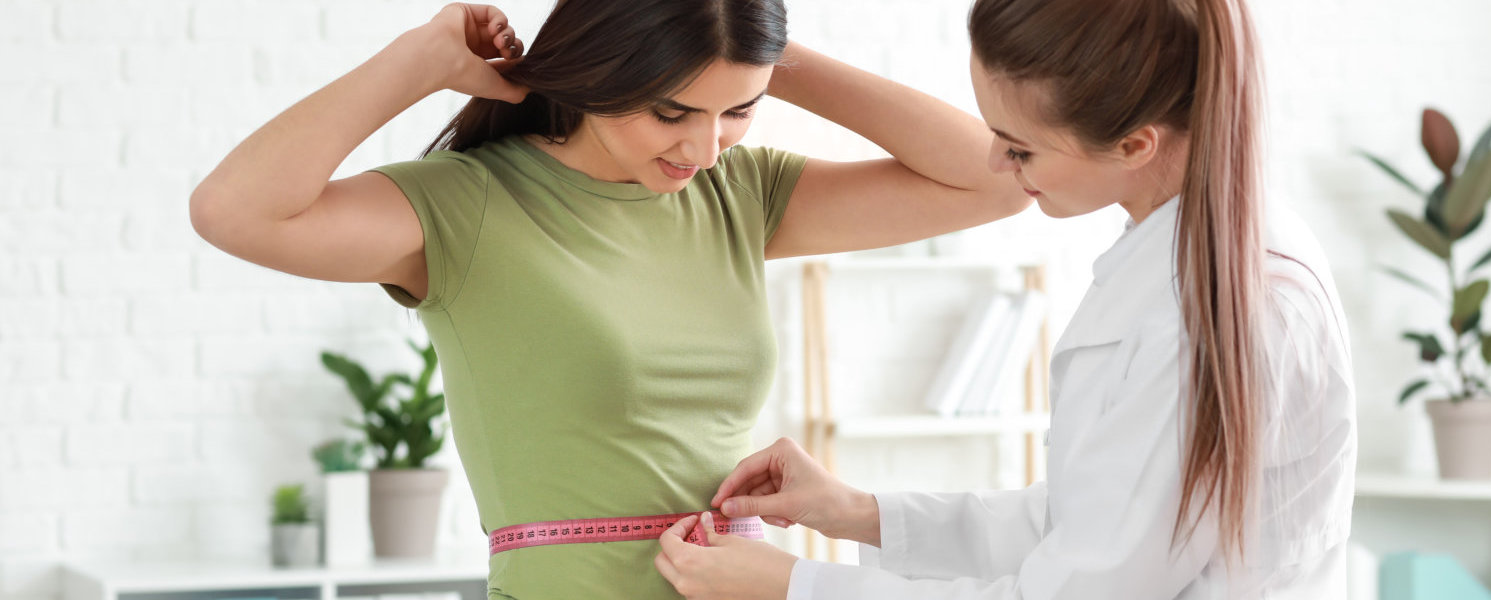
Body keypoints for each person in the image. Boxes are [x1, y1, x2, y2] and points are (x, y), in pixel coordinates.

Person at [188, 1, 1029, 598]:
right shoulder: (468, 206)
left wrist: (758, 50)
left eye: (737, 111)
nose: (704, 147)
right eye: (672, 110)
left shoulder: (740, 193)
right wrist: (417, 62)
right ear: (602, 70)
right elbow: (234, 211)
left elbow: (998, 180)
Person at [652, 0, 1357, 598]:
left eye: (1019, 150)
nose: (995, 165)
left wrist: (794, 585)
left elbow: (1076, 584)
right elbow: (1079, 527)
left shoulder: (1208, 317)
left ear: (1136, 144)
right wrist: (858, 512)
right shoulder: (1190, 259)